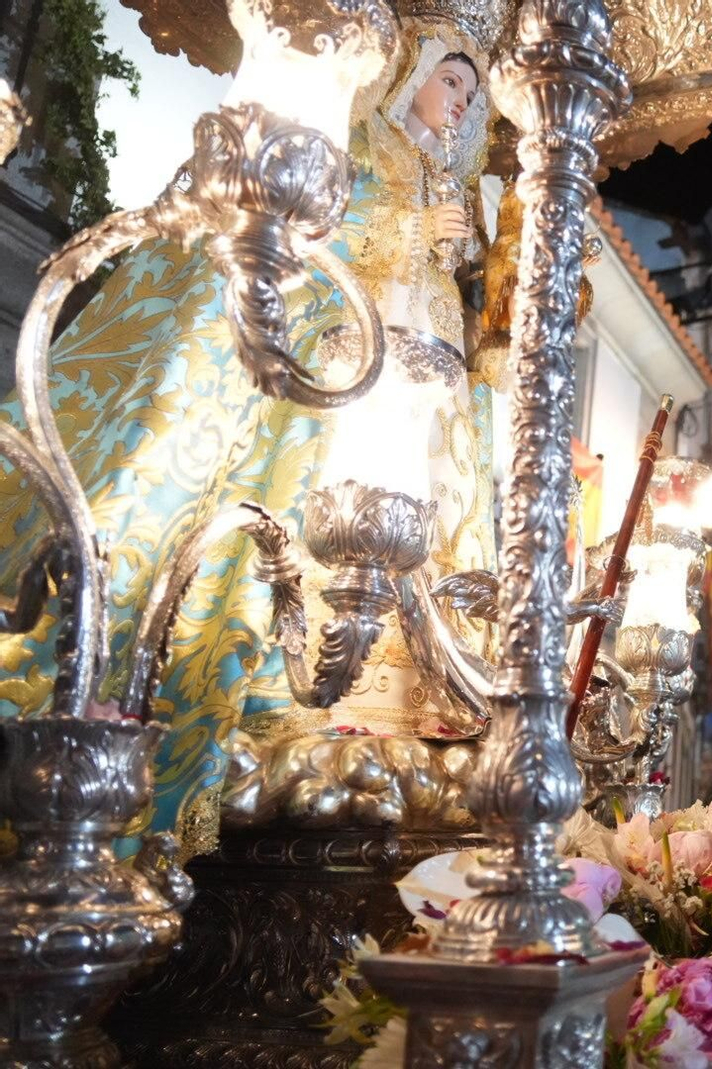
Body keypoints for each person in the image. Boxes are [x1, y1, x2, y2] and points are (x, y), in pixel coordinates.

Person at [0, 9, 498, 859]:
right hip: (345, 355)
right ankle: (284, 668)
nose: (458, 100)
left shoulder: (439, 174)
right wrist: (410, 232)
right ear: (414, 72)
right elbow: (330, 226)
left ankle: (404, 671)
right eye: (451, 78)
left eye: (470, 93)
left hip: (415, 376)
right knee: (304, 507)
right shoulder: (363, 141)